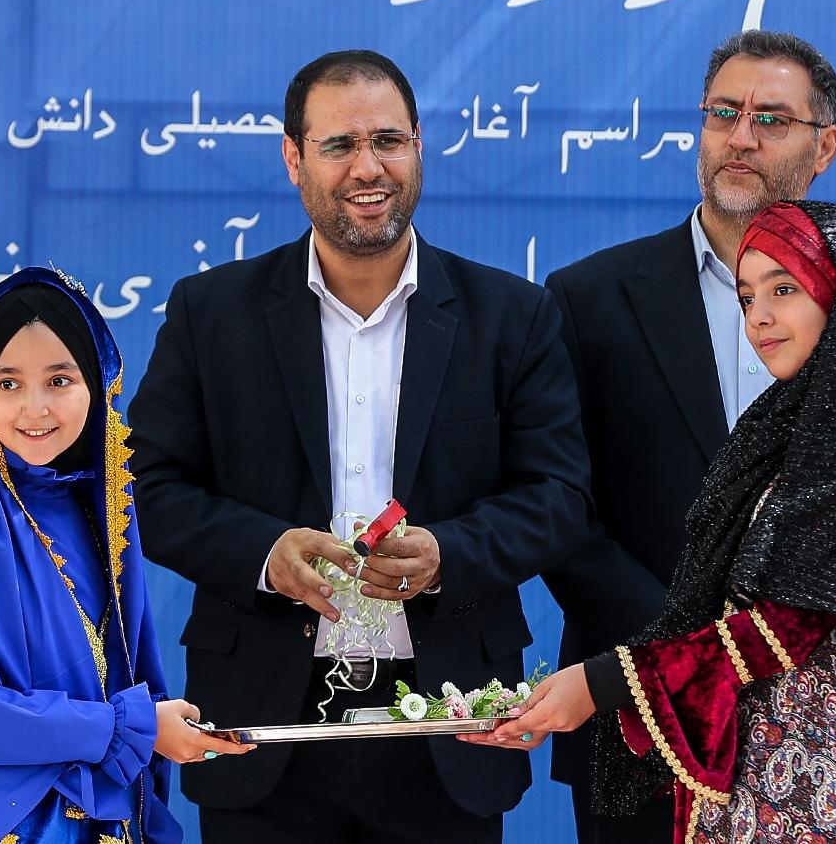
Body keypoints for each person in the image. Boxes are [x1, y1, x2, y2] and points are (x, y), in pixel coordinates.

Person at [128, 48, 591, 844]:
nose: (367, 167)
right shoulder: (212, 313)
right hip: (263, 730)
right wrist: (265, 552)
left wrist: (447, 553)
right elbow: (145, 486)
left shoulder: (512, 317)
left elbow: (560, 497)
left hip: (447, 726)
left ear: (419, 145)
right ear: (294, 159)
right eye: (339, 144)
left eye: (388, 140)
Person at [542, 29, 836, 841]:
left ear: (825, 146)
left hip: (832, 746)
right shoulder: (589, 299)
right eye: (723, 112)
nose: (740, 136)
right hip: (640, 725)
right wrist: (676, 654)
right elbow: (561, 509)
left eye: (771, 118)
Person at [482, 200, 836, 843]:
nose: (760, 317)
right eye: (747, 298)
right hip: (765, 757)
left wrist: (605, 681)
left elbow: (787, 625)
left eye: (784, 289)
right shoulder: (785, 426)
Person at [0, 267, 246, 843]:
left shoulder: (94, 501)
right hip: (21, 825)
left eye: (59, 380)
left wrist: (146, 727)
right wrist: (128, 728)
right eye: (8, 383)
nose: (35, 409)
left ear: (97, 382)